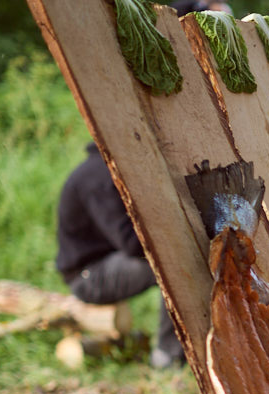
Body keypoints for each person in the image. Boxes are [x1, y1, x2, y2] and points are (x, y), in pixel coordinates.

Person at [54, 1, 230, 369]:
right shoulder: (98, 178)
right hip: (88, 275)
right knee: (171, 260)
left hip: (109, 261)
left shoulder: (112, 168)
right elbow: (134, 245)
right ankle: (168, 356)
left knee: (177, 253)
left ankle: (185, 348)